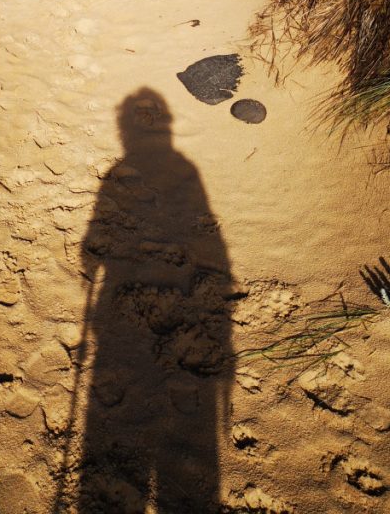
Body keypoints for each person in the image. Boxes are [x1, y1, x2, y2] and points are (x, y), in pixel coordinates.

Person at [74, 89, 233, 514]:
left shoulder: (120, 172)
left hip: (120, 312)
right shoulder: (185, 169)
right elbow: (212, 245)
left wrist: (94, 257)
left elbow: (94, 243)